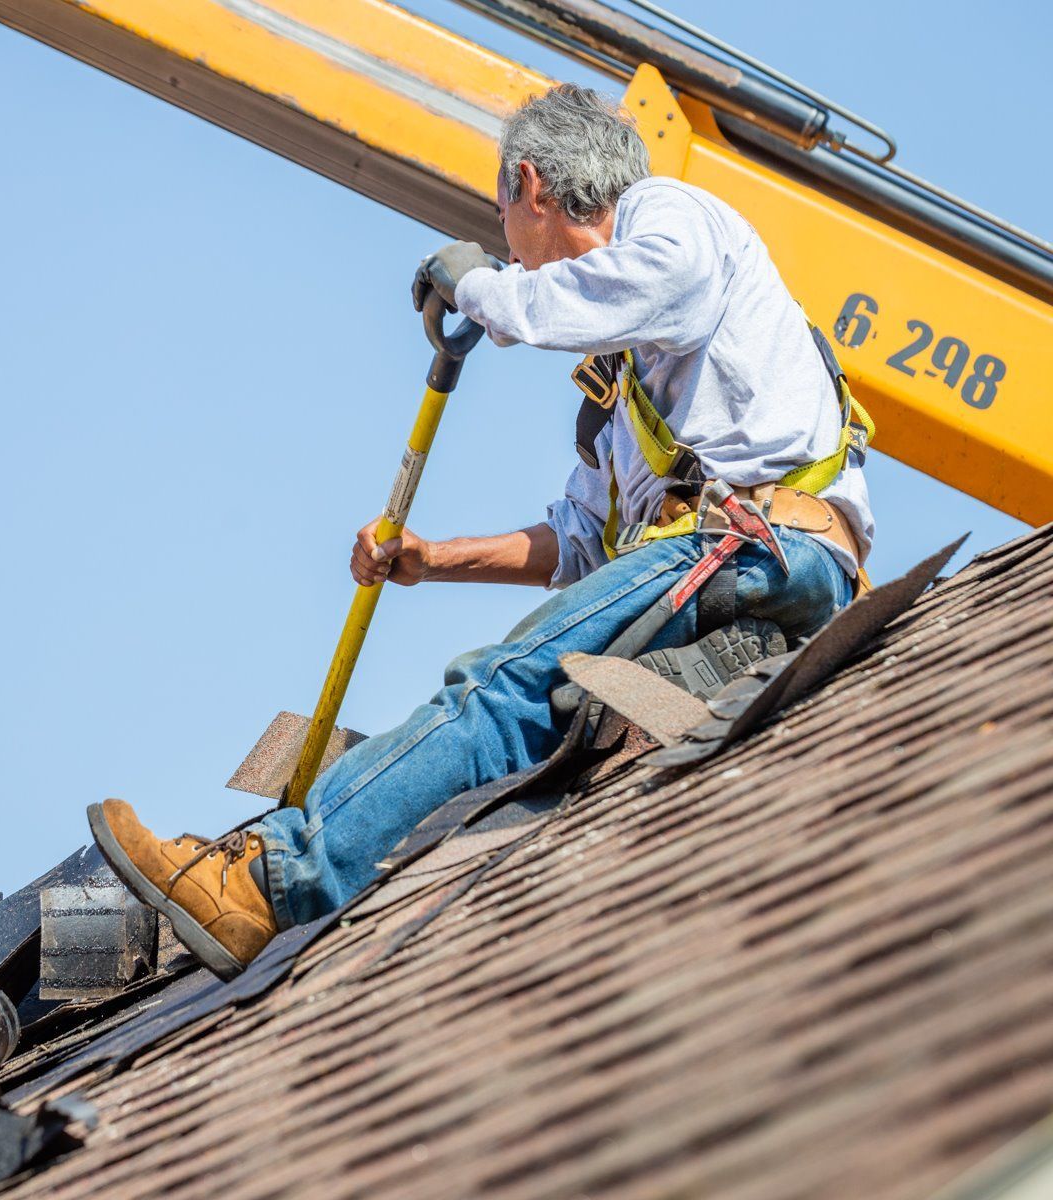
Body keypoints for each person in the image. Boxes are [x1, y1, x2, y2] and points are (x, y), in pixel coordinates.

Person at [88, 83, 873, 981]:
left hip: (760, 548)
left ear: (531, 187)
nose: (506, 244)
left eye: (503, 215)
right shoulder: (628, 383)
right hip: (738, 568)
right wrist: (430, 560)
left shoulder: (676, 221)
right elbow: (578, 546)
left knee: (502, 691)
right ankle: (333, 851)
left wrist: (470, 278)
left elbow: (544, 308)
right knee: (567, 710)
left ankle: (270, 881)